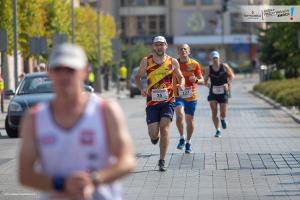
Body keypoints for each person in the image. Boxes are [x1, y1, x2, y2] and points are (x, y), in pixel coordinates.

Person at [18, 43, 136, 200]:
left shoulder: (105, 110)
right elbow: (25, 174)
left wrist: (94, 180)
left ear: (84, 72)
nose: (64, 76)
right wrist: (62, 184)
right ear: (49, 73)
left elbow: (127, 160)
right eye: (58, 69)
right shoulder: (34, 118)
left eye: (70, 70)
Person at [135, 36, 185, 171]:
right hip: (152, 102)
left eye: (161, 44)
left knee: (165, 129)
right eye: (156, 45)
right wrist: (141, 88)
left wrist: (181, 85)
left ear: (166, 46)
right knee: (154, 133)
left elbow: (181, 78)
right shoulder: (146, 61)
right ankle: (154, 138)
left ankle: (162, 160)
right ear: (153, 46)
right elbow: (137, 77)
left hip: (168, 101)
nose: (159, 47)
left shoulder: (172, 62)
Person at [174, 44, 204, 153]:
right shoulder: (174, 64)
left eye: (185, 49)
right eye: (180, 49)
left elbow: (202, 80)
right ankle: (182, 137)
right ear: (178, 52)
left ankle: (188, 141)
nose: (183, 51)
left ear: (189, 51)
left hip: (191, 96)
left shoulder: (195, 64)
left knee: (189, 119)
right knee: (179, 113)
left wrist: (195, 80)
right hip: (178, 95)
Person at [204, 50, 235, 138]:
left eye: (216, 58)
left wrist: (227, 83)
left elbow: (232, 76)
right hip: (213, 92)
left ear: (219, 58)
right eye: (213, 58)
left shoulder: (224, 66)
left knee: (223, 112)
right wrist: (207, 84)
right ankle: (218, 130)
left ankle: (223, 119)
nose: (215, 60)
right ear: (211, 59)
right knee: (214, 112)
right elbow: (205, 80)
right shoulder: (208, 68)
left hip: (223, 91)